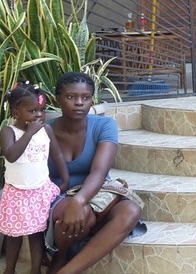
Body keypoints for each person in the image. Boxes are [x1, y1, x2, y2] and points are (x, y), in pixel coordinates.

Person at [46, 72, 144, 274]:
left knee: (131, 211)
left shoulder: (104, 125)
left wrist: (79, 200)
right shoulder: (45, 130)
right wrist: (74, 202)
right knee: (81, 215)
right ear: (58, 99)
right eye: (71, 97)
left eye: (86, 97)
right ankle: (60, 255)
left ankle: (66, 271)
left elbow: (100, 171)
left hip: (96, 191)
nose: (79, 103)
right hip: (58, 195)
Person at [0, 81, 69, 274]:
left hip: (39, 191)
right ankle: (9, 270)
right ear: (15, 113)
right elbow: (11, 155)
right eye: (32, 111)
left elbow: (57, 155)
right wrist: (28, 133)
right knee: (13, 236)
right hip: (16, 193)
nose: (39, 115)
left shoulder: (46, 130)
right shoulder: (9, 132)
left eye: (42, 110)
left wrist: (64, 179)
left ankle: (35, 270)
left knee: (36, 235)